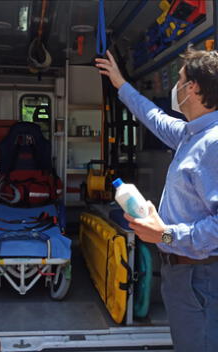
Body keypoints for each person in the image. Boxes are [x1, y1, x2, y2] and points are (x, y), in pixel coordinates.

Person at [96, 49, 218, 351]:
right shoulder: (191, 135)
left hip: (199, 278)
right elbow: (154, 117)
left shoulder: (213, 143)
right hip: (182, 275)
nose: (175, 89)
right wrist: (120, 83)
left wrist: (164, 233)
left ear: (193, 89)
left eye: (179, 81)